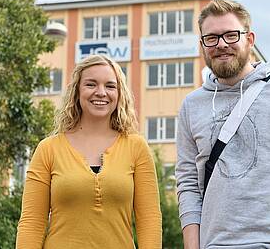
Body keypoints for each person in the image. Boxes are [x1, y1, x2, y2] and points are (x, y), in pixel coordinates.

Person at [175, 0, 270, 249]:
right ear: (202, 45)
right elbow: (188, 185)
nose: (221, 44)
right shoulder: (191, 106)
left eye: (231, 35)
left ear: (250, 39)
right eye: (211, 38)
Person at [16, 54, 162, 248]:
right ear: (77, 92)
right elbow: (31, 222)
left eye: (110, 86)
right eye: (91, 84)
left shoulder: (137, 147)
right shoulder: (48, 149)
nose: (101, 92)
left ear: (119, 94)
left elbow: (149, 220)